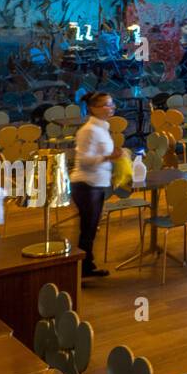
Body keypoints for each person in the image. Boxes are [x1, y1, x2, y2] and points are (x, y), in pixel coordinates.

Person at [71, 91, 121, 278]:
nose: (111, 107)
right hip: (86, 185)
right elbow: (84, 160)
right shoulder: (88, 130)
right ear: (93, 108)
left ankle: (86, 266)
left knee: (90, 229)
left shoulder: (101, 128)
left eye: (111, 103)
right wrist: (109, 156)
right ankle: (82, 269)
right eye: (106, 105)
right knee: (88, 229)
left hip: (96, 183)